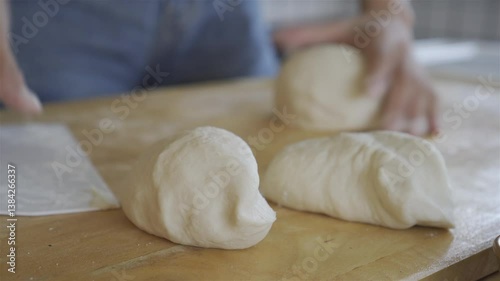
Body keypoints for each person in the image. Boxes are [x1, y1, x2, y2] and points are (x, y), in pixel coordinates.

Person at [0, 0, 437, 136]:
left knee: (271, 155)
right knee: (38, 184)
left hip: (225, 15)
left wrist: (390, 13)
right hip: (58, 18)